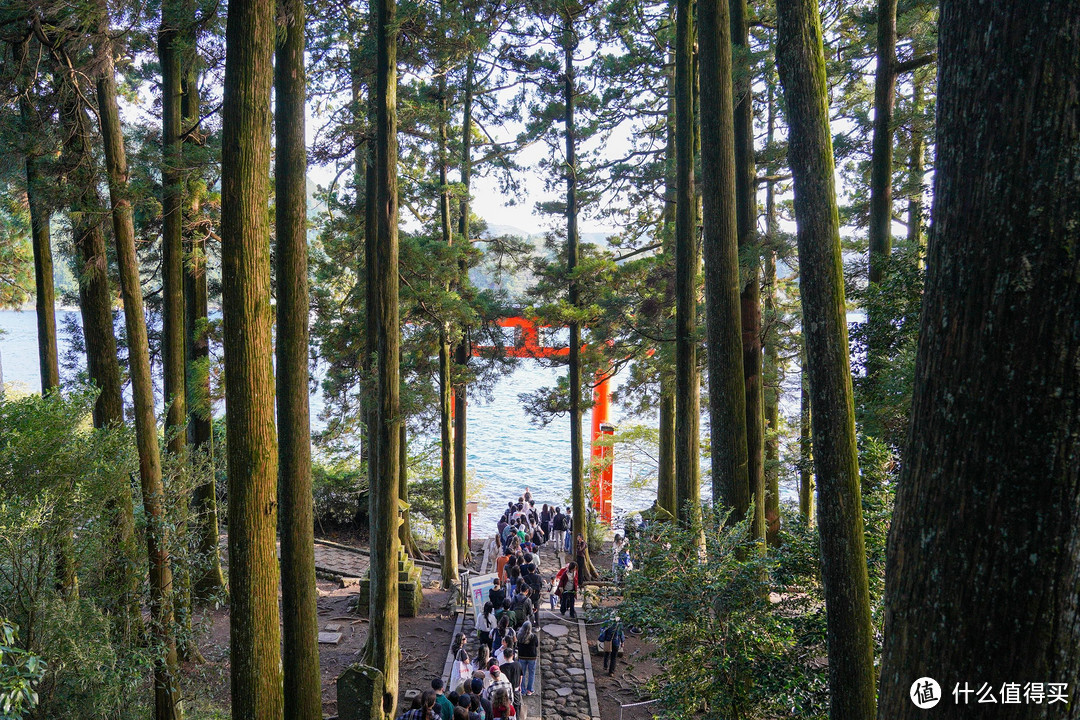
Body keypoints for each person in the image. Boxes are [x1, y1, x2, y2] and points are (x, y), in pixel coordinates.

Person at [516, 621, 539, 696]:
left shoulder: (519, 636)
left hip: (522, 656)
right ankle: (530, 690)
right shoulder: (533, 637)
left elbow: (518, 645)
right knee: (531, 673)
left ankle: (522, 690)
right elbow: (536, 645)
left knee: (522, 673)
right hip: (532, 657)